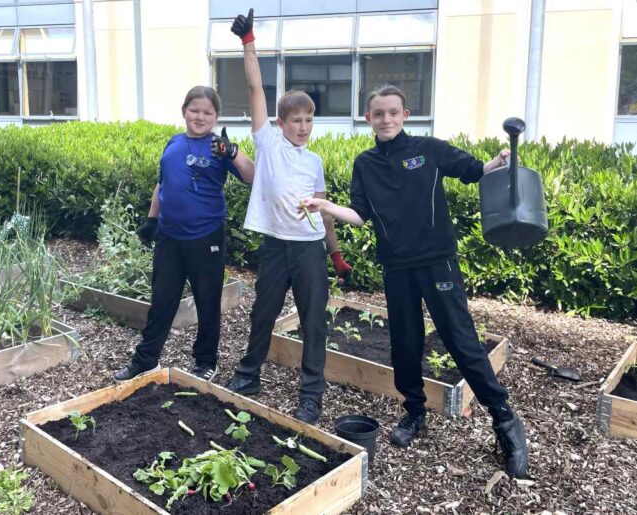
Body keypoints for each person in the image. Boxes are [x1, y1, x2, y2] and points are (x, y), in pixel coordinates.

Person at [301, 84, 529, 478]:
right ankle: (414, 412)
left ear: (406, 114)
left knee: (460, 340)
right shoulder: (365, 163)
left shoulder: (431, 149)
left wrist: (499, 160)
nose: (386, 119)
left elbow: (475, 171)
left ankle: (505, 420)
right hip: (396, 267)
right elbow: (359, 214)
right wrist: (325, 207)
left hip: (437, 262)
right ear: (368, 118)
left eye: (393, 112)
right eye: (378, 114)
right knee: (404, 343)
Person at [225, 9, 352, 424]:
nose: (303, 127)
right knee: (264, 311)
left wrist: (333, 254)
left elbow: (325, 210)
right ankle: (248, 376)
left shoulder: (314, 161)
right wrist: (249, 43)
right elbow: (256, 88)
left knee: (314, 323)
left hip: (310, 249)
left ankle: (311, 396)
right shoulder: (268, 144)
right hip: (276, 246)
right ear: (279, 124)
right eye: (296, 120)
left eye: (309, 120)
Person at [113, 86, 255, 383]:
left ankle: (205, 361)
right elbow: (162, 185)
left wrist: (234, 152)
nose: (200, 117)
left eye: (207, 112)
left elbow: (254, 176)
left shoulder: (220, 147)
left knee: (207, 301)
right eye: (195, 110)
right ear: (184, 112)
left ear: (216, 116)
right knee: (162, 301)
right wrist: (152, 220)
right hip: (169, 238)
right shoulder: (173, 144)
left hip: (206, 238)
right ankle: (146, 359)